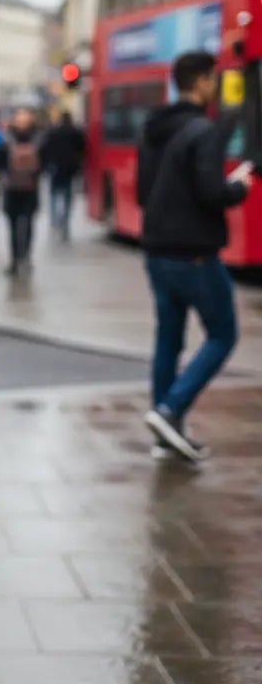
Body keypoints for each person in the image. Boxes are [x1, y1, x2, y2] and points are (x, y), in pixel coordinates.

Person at [136, 51, 253, 463]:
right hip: (194, 252)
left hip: (156, 249)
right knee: (223, 334)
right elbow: (209, 192)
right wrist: (237, 187)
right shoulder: (202, 130)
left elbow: (142, 191)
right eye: (213, 79)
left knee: (169, 336)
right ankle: (170, 410)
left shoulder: (155, 129)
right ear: (202, 82)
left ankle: (165, 432)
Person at [0, 108, 42, 275]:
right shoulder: (37, 139)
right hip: (30, 188)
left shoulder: (7, 140)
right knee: (28, 225)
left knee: (14, 227)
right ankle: (25, 258)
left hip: (12, 188)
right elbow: (43, 164)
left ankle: (15, 260)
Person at [41, 110, 86, 240]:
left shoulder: (53, 132)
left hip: (55, 167)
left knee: (54, 194)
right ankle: (65, 221)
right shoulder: (75, 132)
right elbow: (82, 148)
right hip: (69, 169)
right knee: (67, 195)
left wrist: (47, 164)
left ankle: (54, 220)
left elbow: (46, 149)